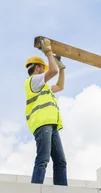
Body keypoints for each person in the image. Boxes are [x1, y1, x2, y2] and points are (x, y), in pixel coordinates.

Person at [24, 37, 68, 185]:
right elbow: (53, 71)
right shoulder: (34, 81)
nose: (45, 70)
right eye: (43, 67)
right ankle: (35, 191)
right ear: (37, 68)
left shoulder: (42, 87)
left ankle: (62, 192)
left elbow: (60, 86)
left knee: (61, 161)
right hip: (43, 125)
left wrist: (62, 68)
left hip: (51, 125)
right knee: (43, 159)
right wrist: (48, 52)